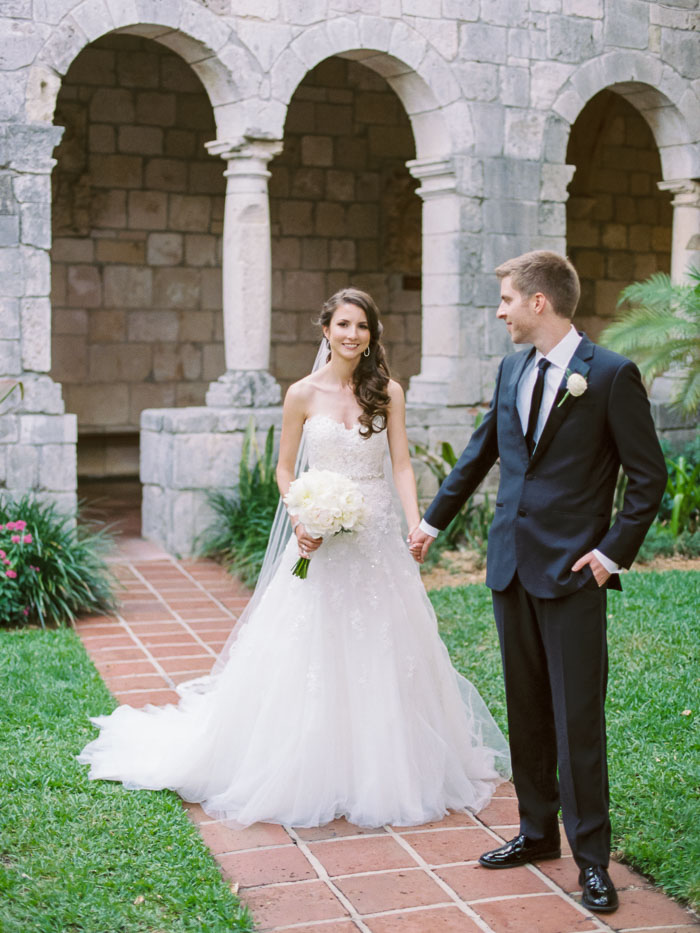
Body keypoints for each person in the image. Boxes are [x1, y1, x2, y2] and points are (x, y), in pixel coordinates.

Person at [78, 287, 510, 829]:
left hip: (377, 537)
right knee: (314, 644)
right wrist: (304, 518)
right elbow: (286, 469)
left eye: (363, 326)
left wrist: (415, 522)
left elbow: (400, 464)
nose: (353, 335)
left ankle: (383, 764)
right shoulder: (301, 394)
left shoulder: (389, 392)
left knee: (386, 644)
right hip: (322, 540)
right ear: (325, 330)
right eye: (344, 324)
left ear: (372, 334)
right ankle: (309, 761)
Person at [408, 251, 667, 913]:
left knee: (575, 718)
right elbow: (482, 450)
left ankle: (591, 859)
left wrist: (610, 555)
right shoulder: (511, 368)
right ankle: (534, 830)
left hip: (574, 574)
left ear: (539, 302)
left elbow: (648, 478)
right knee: (525, 707)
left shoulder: (609, 375)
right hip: (510, 565)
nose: (499, 311)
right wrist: (433, 521)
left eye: (506, 300)